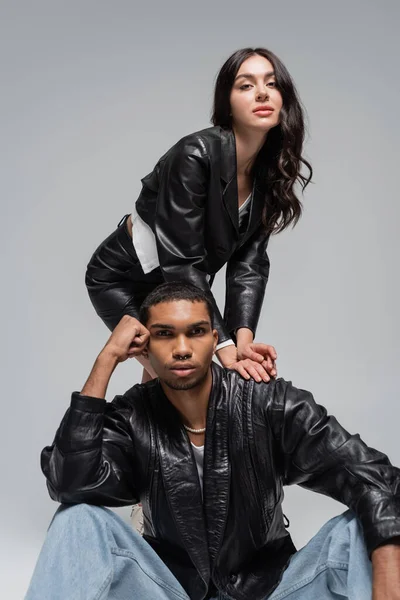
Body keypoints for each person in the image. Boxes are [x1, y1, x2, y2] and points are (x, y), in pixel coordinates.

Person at [26, 282, 400, 600]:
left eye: (196, 331)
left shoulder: (267, 402)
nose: (183, 348)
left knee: (361, 527)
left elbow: (375, 476)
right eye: (165, 334)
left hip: (273, 591)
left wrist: (385, 577)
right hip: (170, 591)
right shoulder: (133, 417)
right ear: (144, 347)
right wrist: (106, 358)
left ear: (215, 340)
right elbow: (69, 482)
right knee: (76, 519)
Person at [85, 46, 312, 383]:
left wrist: (244, 343)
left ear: (284, 99)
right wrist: (226, 348)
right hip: (126, 280)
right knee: (177, 381)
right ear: (227, 103)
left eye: (272, 84)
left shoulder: (270, 172)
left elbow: (249, 264)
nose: (262, 92)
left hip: (179, 286)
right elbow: (182, 261)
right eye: (246, 85)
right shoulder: (195, 155)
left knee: (167, 392)